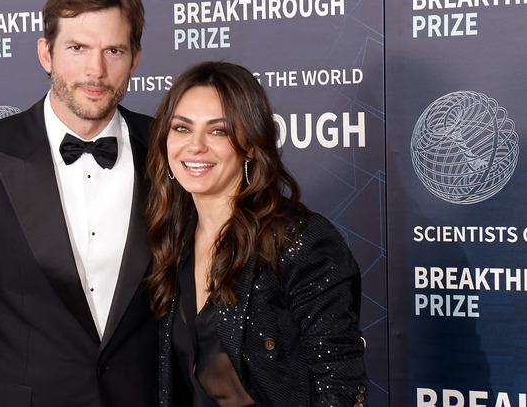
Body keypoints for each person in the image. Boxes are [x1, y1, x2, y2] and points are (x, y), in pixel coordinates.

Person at [0, 0, 157, 406]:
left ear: (135, 59)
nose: (96, 71)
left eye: (114, 51)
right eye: (77, 48)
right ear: (46, 53)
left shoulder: (169, 151)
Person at [145, 61, 368, 406]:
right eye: (181, 128)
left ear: (250, 145)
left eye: (218, 131)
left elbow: (339, 383)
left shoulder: (299, 240)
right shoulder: (171, 237)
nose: (195, 146)